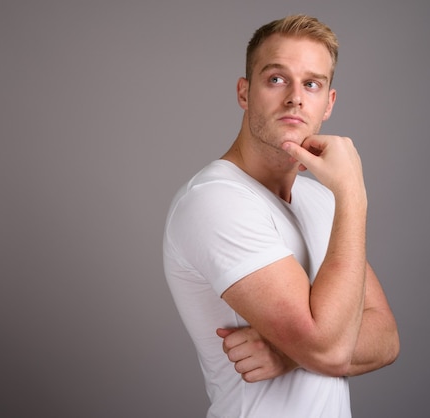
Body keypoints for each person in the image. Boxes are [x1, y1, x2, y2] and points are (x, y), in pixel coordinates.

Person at [162, 14, 399, 417]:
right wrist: (354, 194)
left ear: (329, 103)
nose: (295, 97)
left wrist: (290, 352)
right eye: (276, 79)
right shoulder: (216, 200)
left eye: (311, 84)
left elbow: (387, 337)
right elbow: (329, 347)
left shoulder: (321, 201)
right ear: (244, 92)